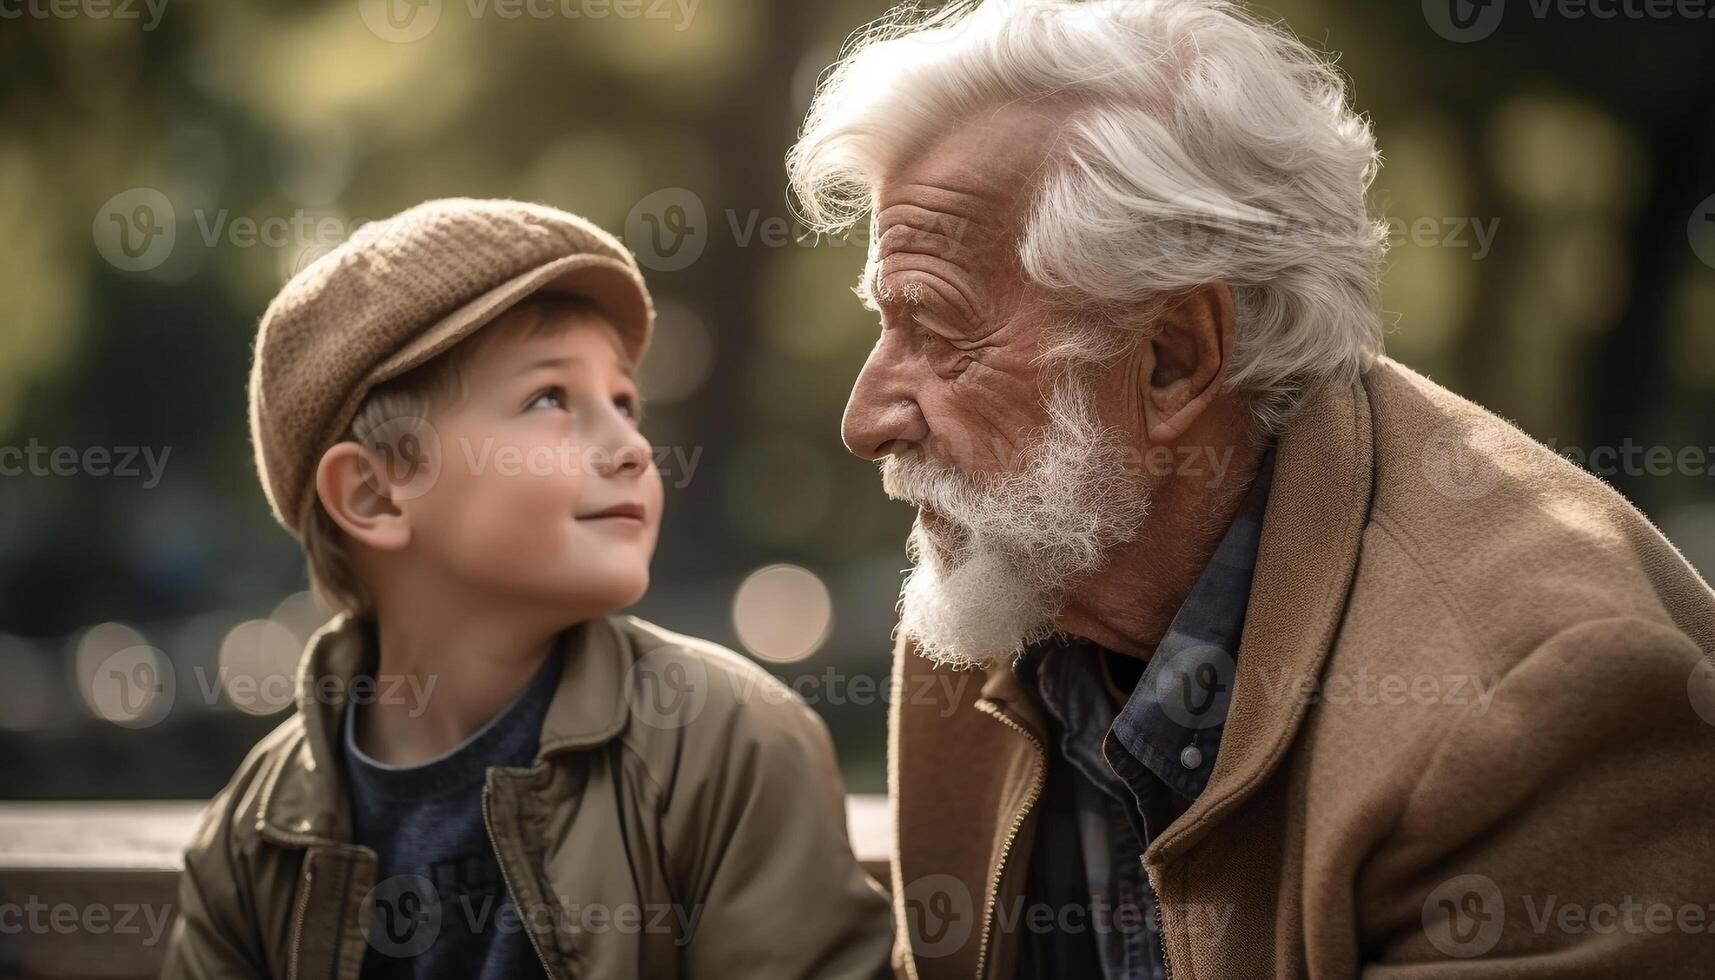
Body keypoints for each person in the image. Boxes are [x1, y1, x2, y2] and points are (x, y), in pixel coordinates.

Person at [785, 1, 1715, 976]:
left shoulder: (1532, 702)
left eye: (934, 331)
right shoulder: (1008, 574)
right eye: (882, 326)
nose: (865, 418)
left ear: (1173, 362)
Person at [160, 198, 894, 980]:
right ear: (374, 495)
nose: (633, 450)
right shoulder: (253, 835)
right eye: (550, 399)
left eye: (623, 403)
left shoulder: (730, 745)